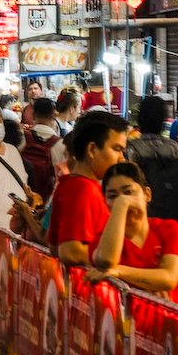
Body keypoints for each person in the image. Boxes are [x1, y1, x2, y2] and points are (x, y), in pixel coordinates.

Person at [47, 110, 130, 268]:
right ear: (92, 149)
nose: (122, 158)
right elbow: (70, 251)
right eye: (117, 149)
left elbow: (54, 245)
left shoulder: (71, 184)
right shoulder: (83, 189)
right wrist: (124, 264)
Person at [91, 162, 178, 296]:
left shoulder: (169, 228)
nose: (122, 199)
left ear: (147, 194)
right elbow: (106, 261)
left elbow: (168, 278)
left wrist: (119, 271)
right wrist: (121, 205)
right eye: (112, 196)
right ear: (105, 202)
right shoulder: (102, 240)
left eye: (129, 192)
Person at [126, 95, 178, 223]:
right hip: (175, 218)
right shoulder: (176, 149)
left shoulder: (131, 149)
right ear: (162, 121)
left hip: (145, 218)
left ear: (140, 119)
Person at [21, 96, 62, 203]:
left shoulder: (22, 138)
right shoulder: (61, 144)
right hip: (47, 201)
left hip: (24, 199)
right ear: (54, 116)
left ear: (34, 115)